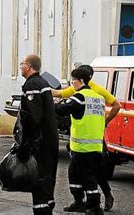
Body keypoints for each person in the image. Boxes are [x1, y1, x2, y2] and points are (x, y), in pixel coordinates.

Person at [52, 65, 120, 211]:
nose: (72, 83)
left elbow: (63, 109)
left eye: (73, 80)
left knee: (89, 178)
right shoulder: (98, 97)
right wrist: (104, 123)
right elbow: (59, 93)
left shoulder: (80, 95)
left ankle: (94, 206)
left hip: (83, 145)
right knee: (76, 174)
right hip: (93, 143)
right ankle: (80, 202)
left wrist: (49, 104)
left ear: (81, 80)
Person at [17, 54, 58, 215]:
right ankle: (48, 205)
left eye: (22, 64)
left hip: (40, 142)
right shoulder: (44, 83)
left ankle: (42, 210)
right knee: (48, 177)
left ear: (28, 66)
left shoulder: (32, 85)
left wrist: (27, 144)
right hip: (50, 140)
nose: (21, 67)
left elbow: (34, 117)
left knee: (39, 178)